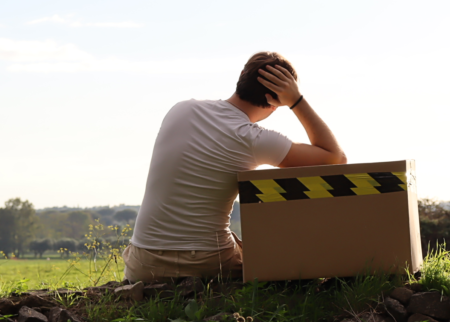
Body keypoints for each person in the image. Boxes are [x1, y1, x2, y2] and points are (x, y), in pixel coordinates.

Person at [123, 51, 346, 282]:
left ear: (241, 76)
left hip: (142, 262)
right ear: (275, 103)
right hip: (207, 261)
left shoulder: (181, 109)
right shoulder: (255, 139)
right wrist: (297, 101)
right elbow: (336, 158)